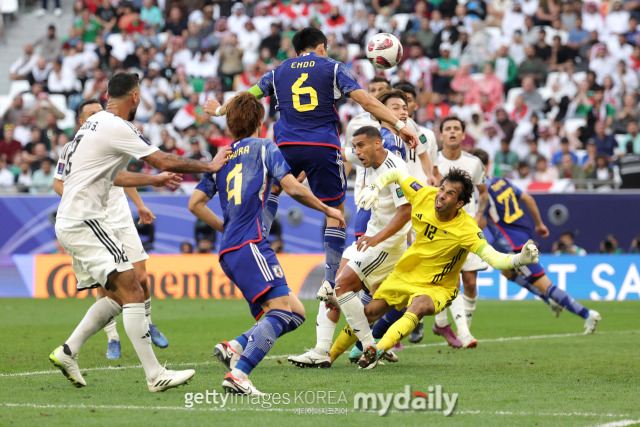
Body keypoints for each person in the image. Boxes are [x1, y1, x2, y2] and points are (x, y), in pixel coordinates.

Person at [204, 27, 419, 308]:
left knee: (274, 190)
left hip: (286, 145)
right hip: (322, 146)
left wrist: (219, 110)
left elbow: (249, 96)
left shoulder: (279, 71)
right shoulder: (332, 67)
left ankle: (258, 243)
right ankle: (330, 281)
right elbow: (365, 100)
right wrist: (401, 125)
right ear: (321, 47)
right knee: (335, 210)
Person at [49, 72, 232, 392]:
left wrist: (154, 181)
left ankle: (68, 351)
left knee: (124, 294)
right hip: (86, 221)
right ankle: (155, 375)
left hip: (74, 220)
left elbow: (113, 176)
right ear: (135, 97)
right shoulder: (117, 125)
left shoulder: (91, 127)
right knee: (134, 290)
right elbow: (161, 158)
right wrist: (210, 166)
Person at [188, 93, 345, 395]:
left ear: (229, 126)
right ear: (260, 123)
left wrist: (226, 227)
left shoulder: (222, 157)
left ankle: (235, 346)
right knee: (279, 312)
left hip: (231, 248)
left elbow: (195, 204)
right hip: (251, 244)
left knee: (296, 312)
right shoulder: (265, 147)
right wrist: (328, 210)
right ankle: (239, 374)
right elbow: (293, 189)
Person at [329, 167, 541, 368]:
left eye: (449, 194)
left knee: (418, 307)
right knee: (369, 313)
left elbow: (494, 258)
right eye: (442, 189)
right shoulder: (424, 195)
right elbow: (396, 173)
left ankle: (377, 350)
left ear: (459, 204)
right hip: (406, 274)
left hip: (437, 287)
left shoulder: (468, 229)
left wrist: (519, 259)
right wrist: (377, 186)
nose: (441, 195)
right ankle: (328, 356)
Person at [53, 99, 176, 360]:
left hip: (119, 215)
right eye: (92, 114)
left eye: (100, 111)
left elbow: (121, 175)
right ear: (80, 121)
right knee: (105, 283)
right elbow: (58, 183)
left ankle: (147, 322)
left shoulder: (109, 138)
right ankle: (113, 338)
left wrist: (140, 205)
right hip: (93, 218)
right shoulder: (71, 149)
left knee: (141, 277)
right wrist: (77, 201)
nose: (99, 116)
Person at [288, 126, 412, 368]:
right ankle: (322, 350)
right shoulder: (364, 155)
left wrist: (377, 239)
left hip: (386, 245)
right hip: (370, 238)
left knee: (343, 287)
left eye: (361, 146)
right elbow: (332, 153)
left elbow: (406, 212)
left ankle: (369, 347)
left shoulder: (396, 169)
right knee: (331, 289)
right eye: (355, 146)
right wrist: (302, 169)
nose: (357, 152)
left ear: (378, 144)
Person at [471, 148, 601, 333]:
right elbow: (529, 199)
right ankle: (549, 300)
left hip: (515, 245)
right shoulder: (502, 182)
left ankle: (586, 314)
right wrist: (539, 224)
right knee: (507, 272)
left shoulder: (484, 194)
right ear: (489, 164)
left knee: (543, 283)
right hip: (522, 238)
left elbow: (481, 221)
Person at [418, 116, 488, 349]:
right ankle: (463, 332)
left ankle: (460, 325)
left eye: (457, 128)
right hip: (444, 232)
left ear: (463, 133)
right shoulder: (432, 162)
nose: (452, 132)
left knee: (470, 282)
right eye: (448, 128)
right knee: (452, 281)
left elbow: (483, 193)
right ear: (441, 134)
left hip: (467, 230)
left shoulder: (475, 163)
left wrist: (479, 216)